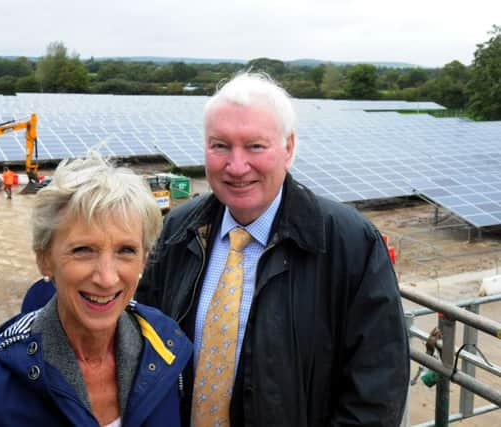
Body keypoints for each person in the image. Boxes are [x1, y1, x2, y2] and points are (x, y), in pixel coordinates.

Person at [136, 72, 409, 427]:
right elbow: (144, 345)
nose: (236, 166)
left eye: (255, 146)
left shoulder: (350, 244)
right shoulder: (178, 230)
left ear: (289, 148)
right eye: (220, 145)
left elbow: (376, 392)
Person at [0, 151, 193, 427]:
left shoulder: (168, 357)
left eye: (126, 250)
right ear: (44, 259)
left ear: (145, 259)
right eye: (83, 250)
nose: (107, 278)